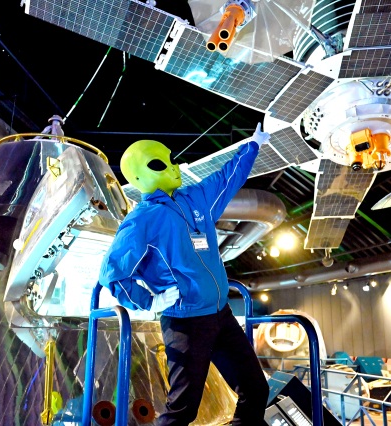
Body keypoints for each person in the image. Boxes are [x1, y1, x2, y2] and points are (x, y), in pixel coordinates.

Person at [98, 123, 271, 425]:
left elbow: (227, 178)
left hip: (221, 314)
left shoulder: (195, 198)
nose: (173, 166)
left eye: (172, 159)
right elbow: (112, 274)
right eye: (160, 163)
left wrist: (252, 146)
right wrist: (150, 302)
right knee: (182, 410)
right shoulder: (142, 221)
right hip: (186, 323)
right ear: (139, 177)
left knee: (256, 389)